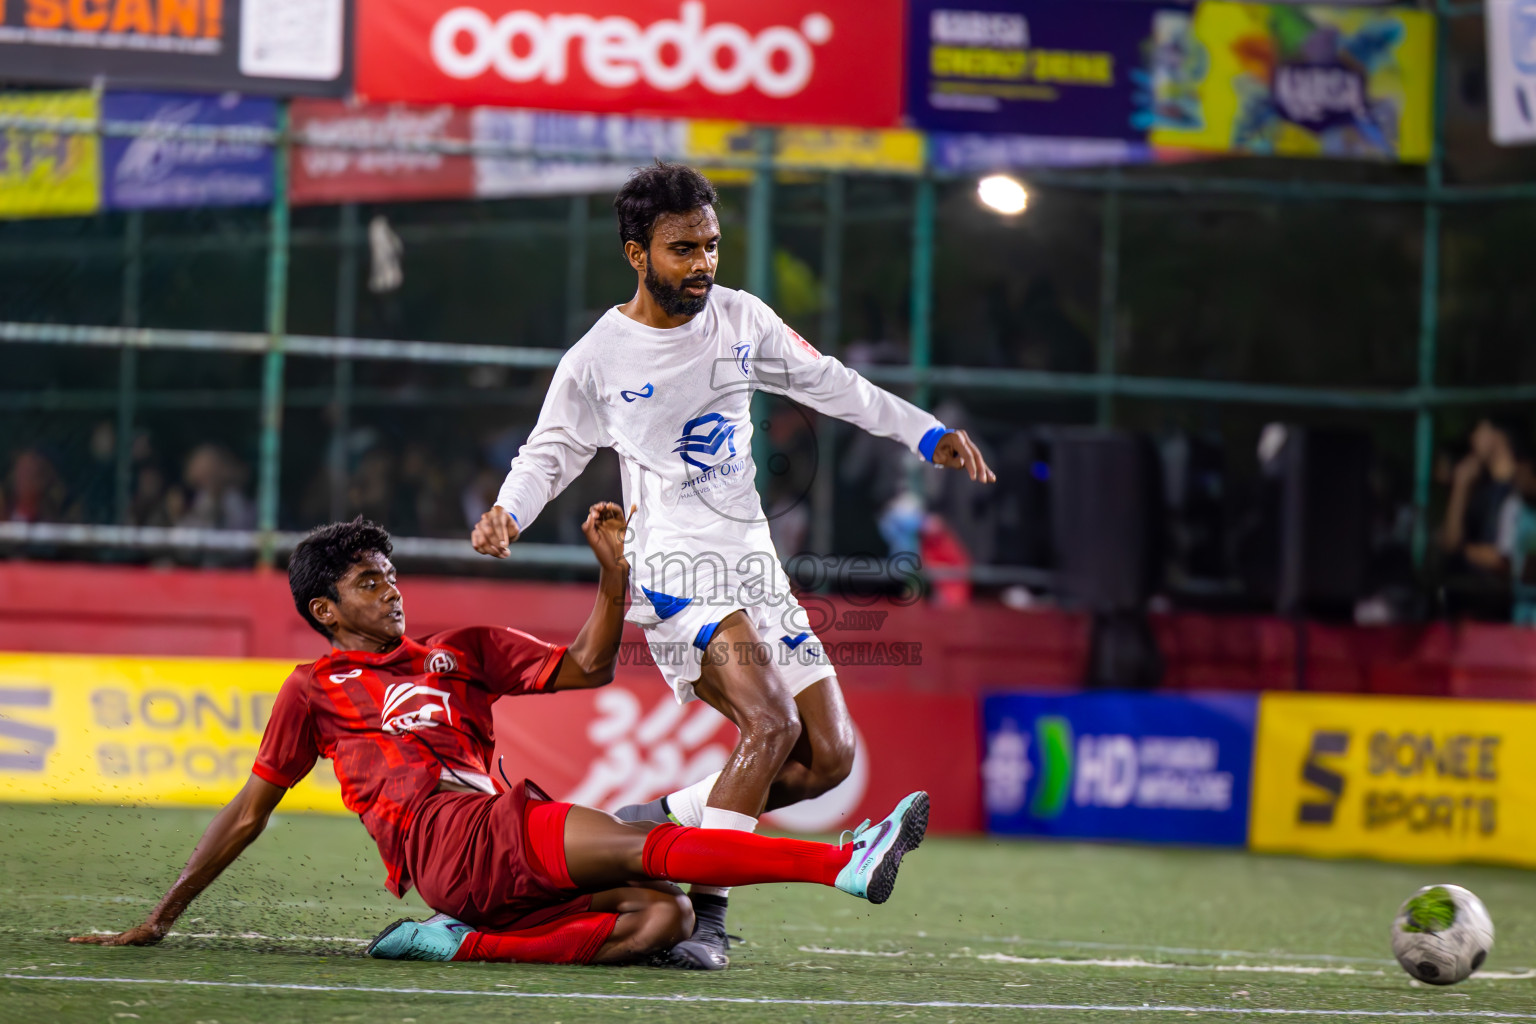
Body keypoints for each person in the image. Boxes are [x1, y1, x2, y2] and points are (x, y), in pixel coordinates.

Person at [470, 162, 993, 968]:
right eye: (684, 249)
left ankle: (660, 819)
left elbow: (833, 385)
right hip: (674, 566)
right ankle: (707, 919)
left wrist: (926, 433)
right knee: (771, 723)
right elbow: (554, 449)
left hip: (753, 563)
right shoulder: (599, 356)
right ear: (636, 254)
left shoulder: (741, 319)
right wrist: (511, 508)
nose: (704, 264)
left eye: (712, 245)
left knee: (829, 757)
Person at [71, 512, 929, 966]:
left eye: (392, 575)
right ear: (325, 611)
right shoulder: (315, 688)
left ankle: (461, 941)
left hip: (498, 843)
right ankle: (840, 864)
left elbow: (589, 668)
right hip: (446, 836)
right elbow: (251, 811)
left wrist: (613, 576)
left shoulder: (459, 651)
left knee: (660, 919)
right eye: (370, 584)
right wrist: (160, 916)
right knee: (651, 851)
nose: (392, 591)